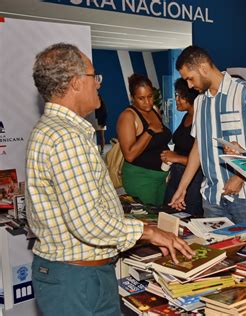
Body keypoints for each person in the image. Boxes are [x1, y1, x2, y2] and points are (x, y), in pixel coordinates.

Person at [26, 43, 193, 316]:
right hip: (77, 280)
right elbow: (88, 223)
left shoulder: (55, 130)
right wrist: (149, 232)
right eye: (95, 77)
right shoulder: (65, 138)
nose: (99, 85)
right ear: (76, 82)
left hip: (78, 273)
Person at [169, 45, 246, 224]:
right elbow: (198, 147)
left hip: (245, 196)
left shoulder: (244, 92)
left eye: (190, 79)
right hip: (211, 198)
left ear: (204, 68)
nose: (189, 86)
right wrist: (182, 188)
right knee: (216, 251)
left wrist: (241, 176)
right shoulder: (200, 102)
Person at [117, 74, 172, 205]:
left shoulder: (154, 110)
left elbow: (160, 141)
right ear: (132, 98)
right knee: (148, 220)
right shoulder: (128, 116)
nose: (147, 102)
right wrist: (149, 131)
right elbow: (129, 155)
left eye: (150, 96)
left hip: (160, 177)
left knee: (161, 219)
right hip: (141, 178)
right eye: (141, 98)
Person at [161, 78, 204, 216]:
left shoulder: (201, 119)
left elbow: (204, 160)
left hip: (194, 181)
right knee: (169, 216)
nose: (177, 100)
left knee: (188, 220)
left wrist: (177, 158)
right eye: (176, 95)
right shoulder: (186, 116)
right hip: (176, 176)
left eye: (181, 96)